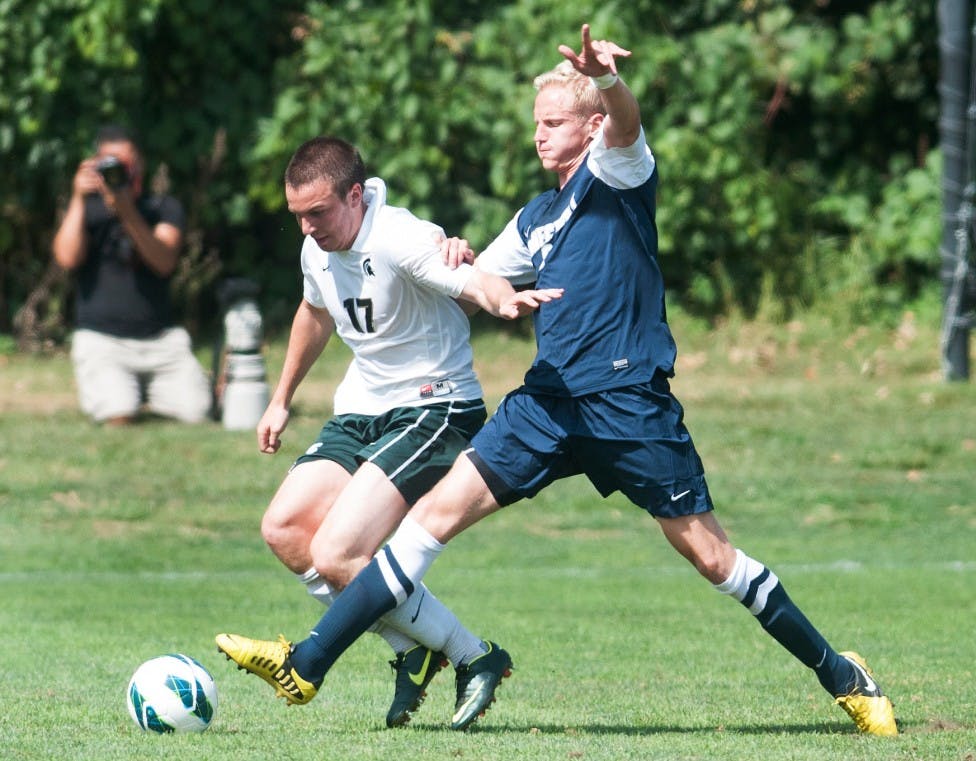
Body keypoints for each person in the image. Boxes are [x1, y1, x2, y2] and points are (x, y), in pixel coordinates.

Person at [216, 25, 898, 736]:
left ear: (592, 126)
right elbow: (479, 277)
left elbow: (629, 125)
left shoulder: (618, 177)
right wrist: (463, 261)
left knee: (711, 556)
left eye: (554, 122)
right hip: (545, 405)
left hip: (628, 403)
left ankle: (843, 675)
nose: (539, 136)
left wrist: (607, 79)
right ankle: (308, 663)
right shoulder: (537, 218)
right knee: (428, 521)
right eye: (536, 124)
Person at [215, 136, 562, 729]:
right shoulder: (317, 245)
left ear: (355, 195)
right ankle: (415, 649)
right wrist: (280, 399)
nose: (306, 228)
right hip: (361, 411)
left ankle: (472, 655)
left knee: (338, 553)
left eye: (317, 213)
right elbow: (315, 311)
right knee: (286, 530)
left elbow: (470, 279)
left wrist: (502, 299)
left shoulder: (401, 236)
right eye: (296, 215)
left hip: (436, 408)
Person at [52, 125, 212, 426]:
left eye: (126, 163)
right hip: (103, 341)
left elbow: (164, 260)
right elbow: (66, 258)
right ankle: (126, 391)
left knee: (197, 412)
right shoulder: (87, 210)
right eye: (111, 163)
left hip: (161, 341)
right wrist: (77, 197)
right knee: (118, 412)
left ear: (140, 164)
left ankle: (166, 387)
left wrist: (127, 212)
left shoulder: (162, 208)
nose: (120, 171)